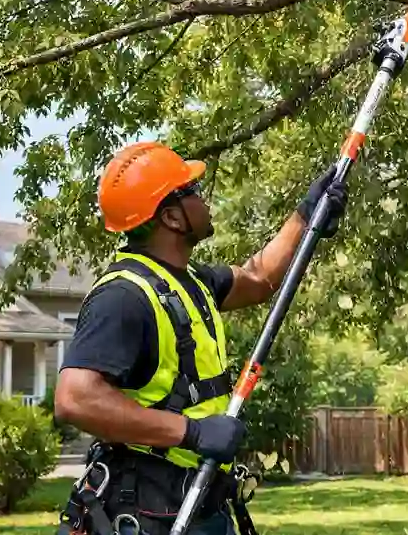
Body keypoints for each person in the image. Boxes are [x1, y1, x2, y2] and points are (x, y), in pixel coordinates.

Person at [54, 141, 348, 535]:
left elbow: (260, 278)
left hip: (199, 502)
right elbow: (75, 398)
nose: (203, 197)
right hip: (147, 512)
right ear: (172, 218)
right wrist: (191, 433)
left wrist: (306, 214)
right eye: (192, 191)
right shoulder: (123, 297)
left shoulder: (191, 282)